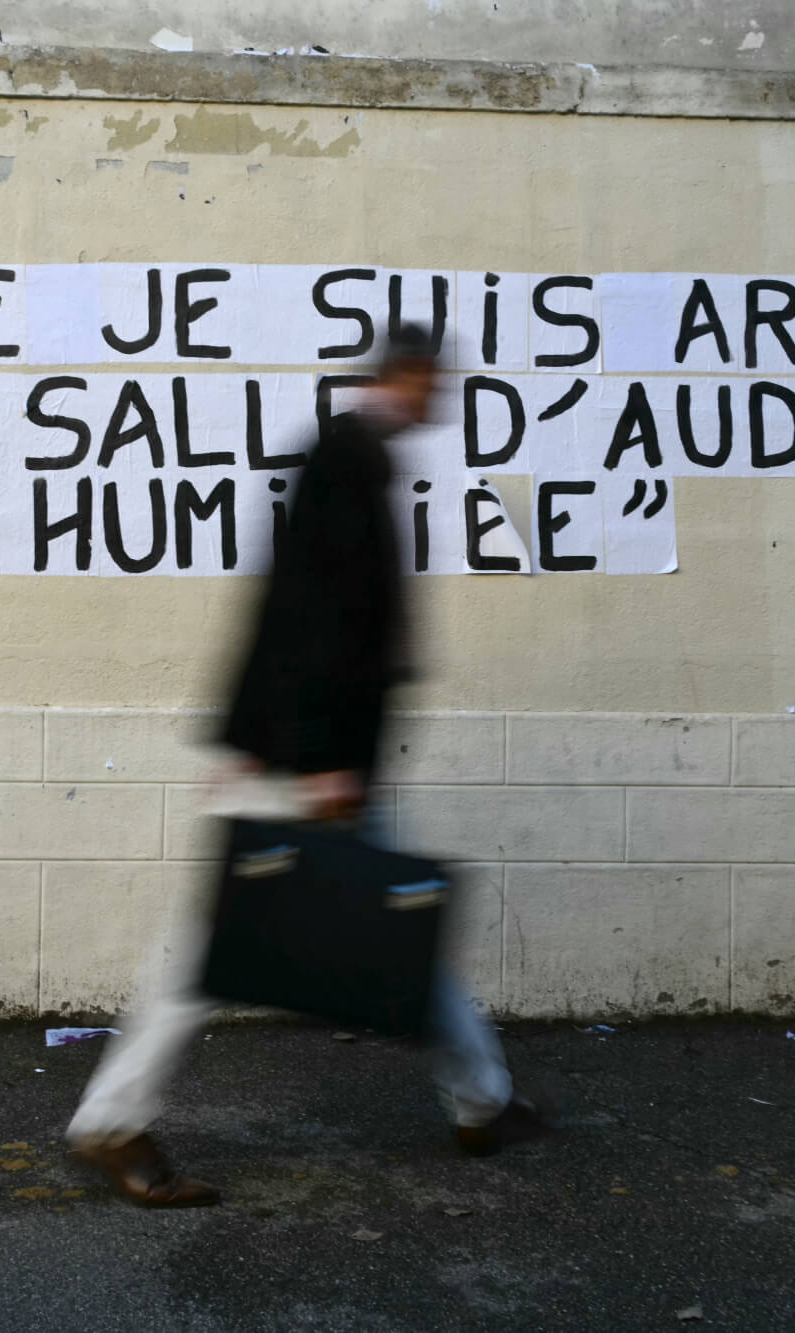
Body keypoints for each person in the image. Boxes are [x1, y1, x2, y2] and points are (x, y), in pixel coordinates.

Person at [66, 325, 554, 1208]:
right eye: (432, 381)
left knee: (395, 926)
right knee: (218, 951)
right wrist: (313, 755)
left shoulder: (354, 460)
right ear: (404, 378)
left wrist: (251, 736)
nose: (440, 398)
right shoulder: (345, 464)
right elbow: (313, 616)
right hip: (314, 763)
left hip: (309, 756)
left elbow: (286, 604)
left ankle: (484, 1098)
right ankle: (109, 1123)